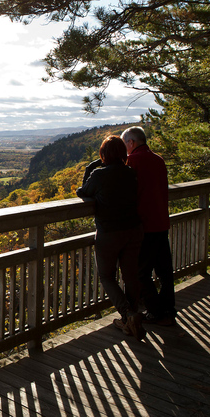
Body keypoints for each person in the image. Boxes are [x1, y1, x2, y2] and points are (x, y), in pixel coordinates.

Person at [77, 135, 146, 340]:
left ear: (103, 154)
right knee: (130, 275)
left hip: (109, 232)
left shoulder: (99, 174)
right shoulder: (131, 173)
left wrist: (91, 168)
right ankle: (129, 322)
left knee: (107, 276)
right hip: (134, 230)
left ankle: (128, 314)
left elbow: (83, 191)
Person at [121, 126, 177, 326]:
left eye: (125, 144)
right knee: (164, 270)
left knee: (140, 273)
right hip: (162, 221)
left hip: (145, 225)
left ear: (131, 143)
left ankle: (156, 312)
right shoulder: (158, 160)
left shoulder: (132, 161)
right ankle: (169, 309)